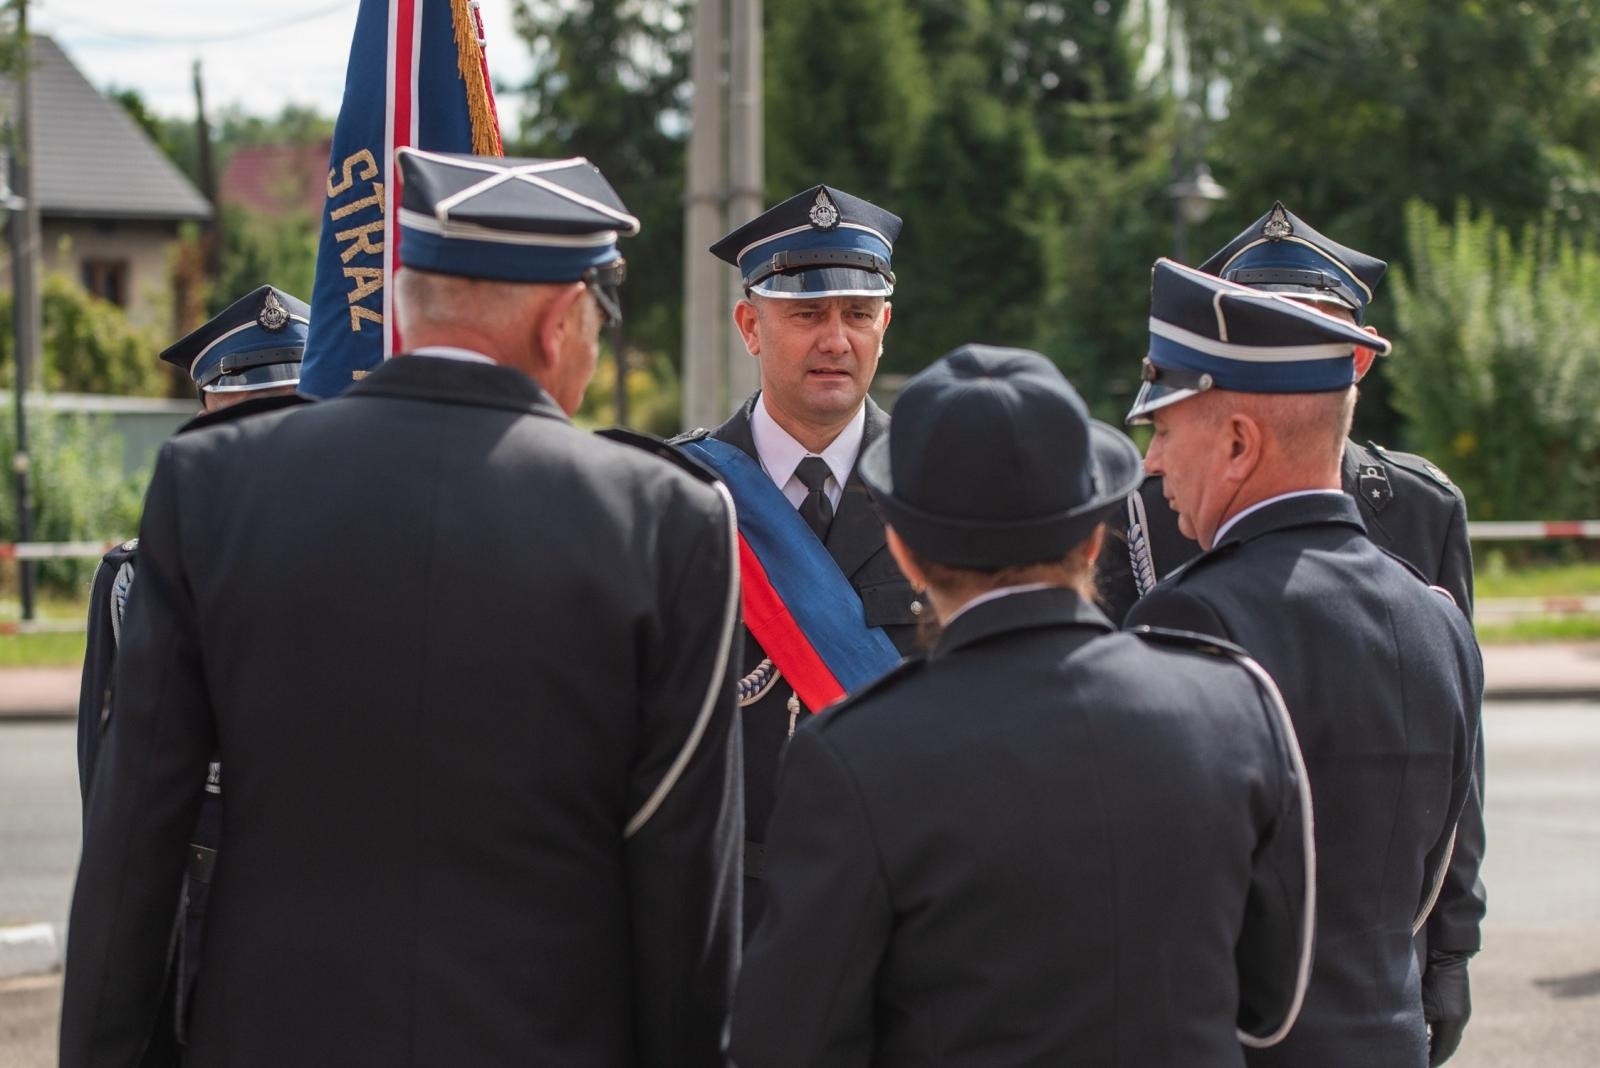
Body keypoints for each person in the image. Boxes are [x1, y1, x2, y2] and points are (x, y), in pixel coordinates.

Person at [60, 149, 742, 1068]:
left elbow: (132, 847)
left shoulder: (211, 486)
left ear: (409, 304)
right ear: (558, 324)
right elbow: (682, 894)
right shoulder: (668, 521)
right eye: (599, 319)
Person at [731, 344, 1315, 1067]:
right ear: (1095, 535)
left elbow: (793, 1041)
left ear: (905, 552)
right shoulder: (1237, 703)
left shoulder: (854, 753)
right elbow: (1273, 999)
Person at [1098, 203, 1485, 1063]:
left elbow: (1154, 900)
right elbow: (1424, 876)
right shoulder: (1435, 619)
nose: (1152, 460)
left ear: (1238, 442)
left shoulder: (1191, 616)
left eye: (1165, 428)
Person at [675, 184, 923, 936]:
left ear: (884, 322)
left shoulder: (936, 488)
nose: (835, 340)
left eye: (856, 314)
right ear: (751, 326)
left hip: (910, 906)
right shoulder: (679, 493)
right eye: (807, 314)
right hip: (734, 909)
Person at [74, 285, 313, 1063]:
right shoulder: (138, 576)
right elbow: (114, 789)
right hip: (201, 885)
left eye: (288, 406)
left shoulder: (363, 549)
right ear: (210, 411)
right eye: (251, 409)